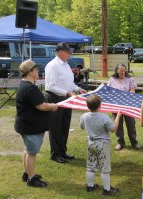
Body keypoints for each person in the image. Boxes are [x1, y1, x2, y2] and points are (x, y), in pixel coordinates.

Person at [15, 59, 58, 187]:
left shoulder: (24, 85)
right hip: (30, 126)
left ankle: (27, 173)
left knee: (27, 150)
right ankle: (31, 179)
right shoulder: (29, 88)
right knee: (32, 153)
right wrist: (52, 106)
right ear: (30, 72)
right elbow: (41, 106)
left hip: (25, 125)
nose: (38, 71)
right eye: (36, 69)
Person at [44, 42, 87, 163]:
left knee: (65, 125)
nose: (69, 53)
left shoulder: (66, 64)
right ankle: (55, 153)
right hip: (55, 98)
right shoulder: (52, 65)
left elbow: (69, 83)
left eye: (69, 51)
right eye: (67, 51)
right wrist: (67, 93)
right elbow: (50, 86)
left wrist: (78, 89)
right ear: (59, 52)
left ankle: (62, 151)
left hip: (67, 97)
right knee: (55, 127)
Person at [80, 94, 121, 195]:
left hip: (90, 143)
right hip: (102, 144)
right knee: (104, 167)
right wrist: (118, 117)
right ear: (100, 106)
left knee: (90, 165)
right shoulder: (104, 117)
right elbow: (113, 129)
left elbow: (81, 126)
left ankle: (90, 186)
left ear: (87, 106)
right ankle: (107, 190)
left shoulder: (84, 116)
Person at [107, 63, 141, 150]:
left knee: (131, 124)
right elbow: (108, 91)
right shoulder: (112, 79)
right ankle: (120, 143)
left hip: (128, 105)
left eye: (124, 70)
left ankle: (134, 142)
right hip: (116, 105)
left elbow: (133, 89)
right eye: (121, 70)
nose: (122, 72)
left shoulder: (130, 79)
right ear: (117, 70)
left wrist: (129, 95)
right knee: (118, 125)